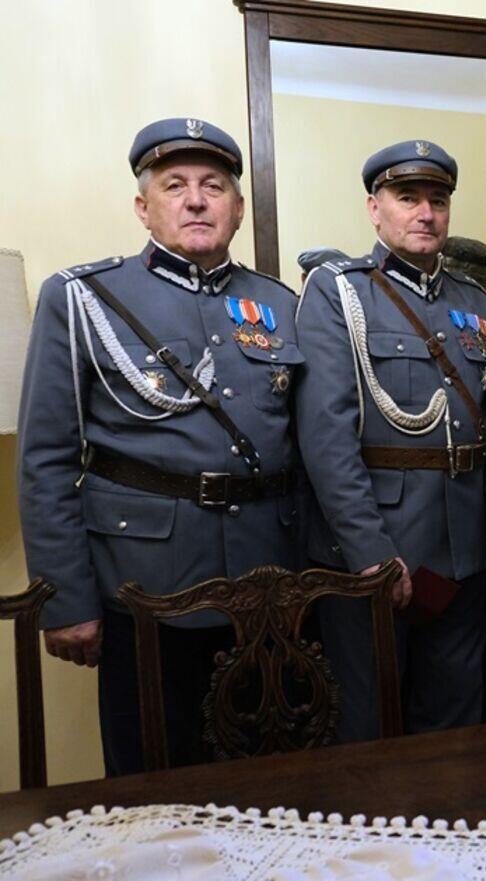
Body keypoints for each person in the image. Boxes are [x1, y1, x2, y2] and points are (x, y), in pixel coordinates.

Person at [18, 117, 304, 775]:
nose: (196, 200)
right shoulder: (84, 297)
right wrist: (66, 599)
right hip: (143, 587)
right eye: (175, 185)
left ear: (237, 209)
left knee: (270, 775)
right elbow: (47, 458)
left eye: (213, 186)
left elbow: (306, 447)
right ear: (143, 208)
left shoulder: (280, 303)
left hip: (270, 581)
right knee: (150, 781)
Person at [295, 139, 486, 738]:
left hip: (463, 549)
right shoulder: (338, 291)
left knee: (456, 724)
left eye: (438, 200)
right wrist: (368, 549)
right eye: (407, 198)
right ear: (374, 208)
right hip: (375, 549)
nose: (426, 213)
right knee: (368, 726)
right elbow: (327, 437)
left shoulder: (475, 302)